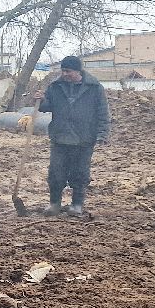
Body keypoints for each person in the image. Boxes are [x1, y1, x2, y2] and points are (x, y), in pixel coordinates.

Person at [38, 55, 110, 218]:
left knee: (80, 174)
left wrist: (103, 133)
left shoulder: (94, 87)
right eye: (63, 70)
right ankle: (54, 204)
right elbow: (46, 107)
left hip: (84, 138)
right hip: (60, 137)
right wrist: (41, 100)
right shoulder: (55, 86)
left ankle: (77, 205)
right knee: (56, 173)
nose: (64, 74)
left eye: (68, 71)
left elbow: (103, 112)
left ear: (78, 71)